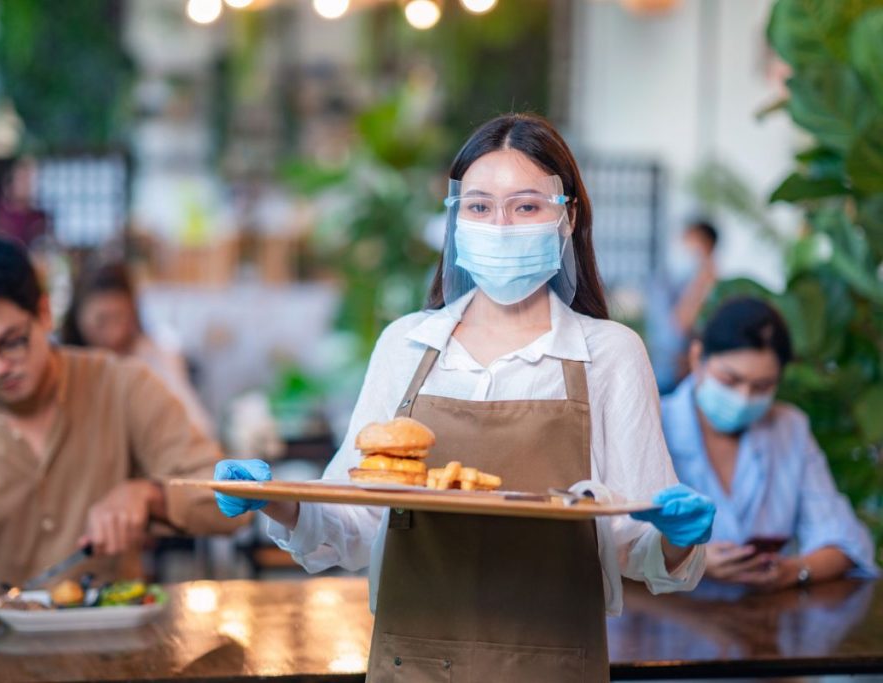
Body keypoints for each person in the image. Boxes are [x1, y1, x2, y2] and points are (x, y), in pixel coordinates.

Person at [212, 113, 715, 682]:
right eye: (479, 207)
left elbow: (635, 543)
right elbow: (353, 521)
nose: (499, 225)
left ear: (567, 217)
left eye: (525, 206)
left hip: (553, 666)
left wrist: (675, 539)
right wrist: (275, 500)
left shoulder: (611, 354)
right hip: (412, 665)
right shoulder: (405, 344)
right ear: (456, 219)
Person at [0, 238, 246, 597]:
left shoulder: (123, 385)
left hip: (112, 650)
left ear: (44, 312)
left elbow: (232, 500)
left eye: (12, 341)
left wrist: (150, 495)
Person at [662, 297, 879, 590]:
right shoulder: (653, 421)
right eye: (729, 380)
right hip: (663, 621)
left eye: (763, 387)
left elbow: (845, 540)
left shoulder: (790, 429)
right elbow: (612, 540)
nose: (743, 397)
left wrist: (795, 570)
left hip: (763, 621)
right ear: (697, 357)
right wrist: (688, 561)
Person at [61, 262, 214, 436]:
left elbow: (199, 426)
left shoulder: (156, 356)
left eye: (120, 317)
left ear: (133, 312)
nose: (115, 334)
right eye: (101, 321)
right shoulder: (66, 368)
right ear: (78, 317)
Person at [648, 220, 719, 393]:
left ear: (706, 245)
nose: (684, 246)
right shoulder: (674, 277)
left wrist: (703, 279)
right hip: (662, 366)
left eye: (691, 241)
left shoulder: (708, 281)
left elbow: (681, 323)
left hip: (680, 373)